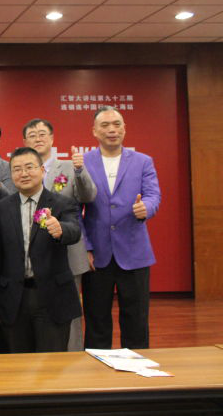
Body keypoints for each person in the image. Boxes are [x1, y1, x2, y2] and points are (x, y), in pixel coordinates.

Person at [82, 106, 161, 349]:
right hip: (97, 255)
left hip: (134, 252)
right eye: (105, 125)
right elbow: (73, 208)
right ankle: (97, 368)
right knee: (96, 320)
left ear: (124, 129)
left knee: (136, 320)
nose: (112, 130)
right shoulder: (84, 162)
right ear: (94, 131)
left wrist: (146, 208)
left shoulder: (143, 161)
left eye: (117, 124)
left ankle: (135, 367)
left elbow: (153, 195)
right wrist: (85, 247)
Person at [0, 147, 82, 353]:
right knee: (16, 363)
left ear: (42, 170)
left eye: (29, 167)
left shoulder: (62, 203)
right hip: (13, 298)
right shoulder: (0, 208)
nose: (23, 173)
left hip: (52, 297)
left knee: (52, 364)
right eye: (17, 169)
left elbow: (74, 230)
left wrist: (60, 229)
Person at [23, 118, 97, 351]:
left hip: (67, 253)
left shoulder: (68, 167)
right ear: (25, 141)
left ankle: (73, 360)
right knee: (38, 313)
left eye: (42, 134)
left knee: (69, 314)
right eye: (32, 135)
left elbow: (88, 196)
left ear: (52, 139)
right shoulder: (22, 170)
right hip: (33, 256)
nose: (38, 138)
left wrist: (80, 171)